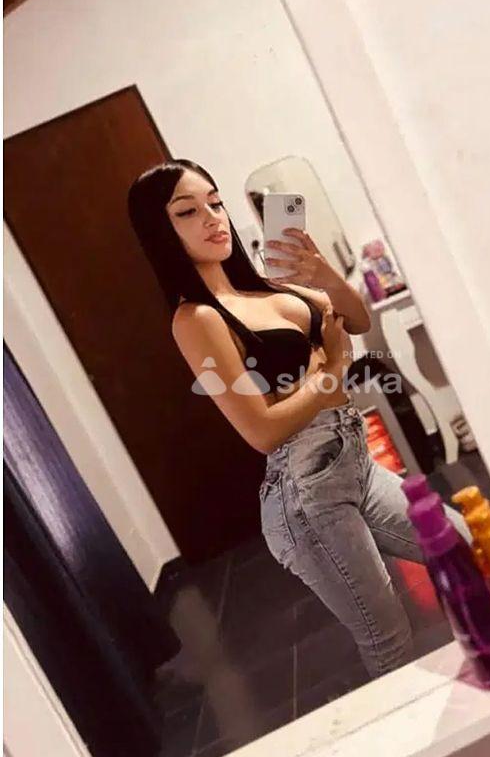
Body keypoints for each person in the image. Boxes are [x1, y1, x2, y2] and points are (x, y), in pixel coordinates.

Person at [127, 159, 472, 680]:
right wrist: (333, 369)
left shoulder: (263, 287)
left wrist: (323, 274)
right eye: (187, 211)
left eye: (215, 203)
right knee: (388, 638)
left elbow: (356, 318)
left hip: (356, 465)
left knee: (468, 547)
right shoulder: (196, 319)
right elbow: (262, 431)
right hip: (307, 494)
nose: (212, 217)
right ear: (161, 230)